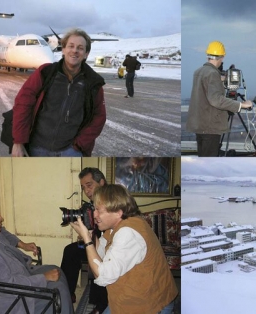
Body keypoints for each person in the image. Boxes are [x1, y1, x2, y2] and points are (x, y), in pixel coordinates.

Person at [70, 184, 178, 314]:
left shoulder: (128, 232)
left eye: (99, 210)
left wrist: (87, 240)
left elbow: (104, 276)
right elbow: (103, 253)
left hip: (151, 305)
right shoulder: (116, 226)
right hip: (130, 297)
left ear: (118, 212)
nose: (94, 214)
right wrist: (91, 235)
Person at [0, 196, 74, 314]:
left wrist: (23, 245)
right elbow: (8, 285)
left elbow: (3, 232)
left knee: (56, 271)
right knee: (59, 291)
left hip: (19, 274)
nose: (1, 218)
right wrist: (44, 278)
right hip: (7, 301)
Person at [12, 28, 106, 157]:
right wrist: (19, 141)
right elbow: (23, 103)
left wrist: (79, 145)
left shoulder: (93, 82)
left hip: (70, 151)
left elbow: (99, 117)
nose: (74, 51)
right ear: (63, 49)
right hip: (37, 148)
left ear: (86, 54)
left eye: (80, 48)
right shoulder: (45, 73)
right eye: (71, 46)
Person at [185, 41, 252, 157]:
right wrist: (241, 105)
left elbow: (204, 92)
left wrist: (219, 79)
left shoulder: (199, 72)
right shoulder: (212, 74)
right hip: (210, 127)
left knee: (203, 157)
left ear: (208, 55)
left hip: (200, 125)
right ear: (222, 57)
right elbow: (215, 100)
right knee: (208, 159)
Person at [60, 167, 108, 313]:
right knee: (71, 250)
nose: (86, 191)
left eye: (89, 185)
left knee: (98, 260)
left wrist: (90, 237)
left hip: (109, 246)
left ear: (102, 183)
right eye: (83, 187)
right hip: (96, 241)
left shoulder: (111, 201)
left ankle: (101, 306)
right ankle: (67, 293)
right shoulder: (91, 204)